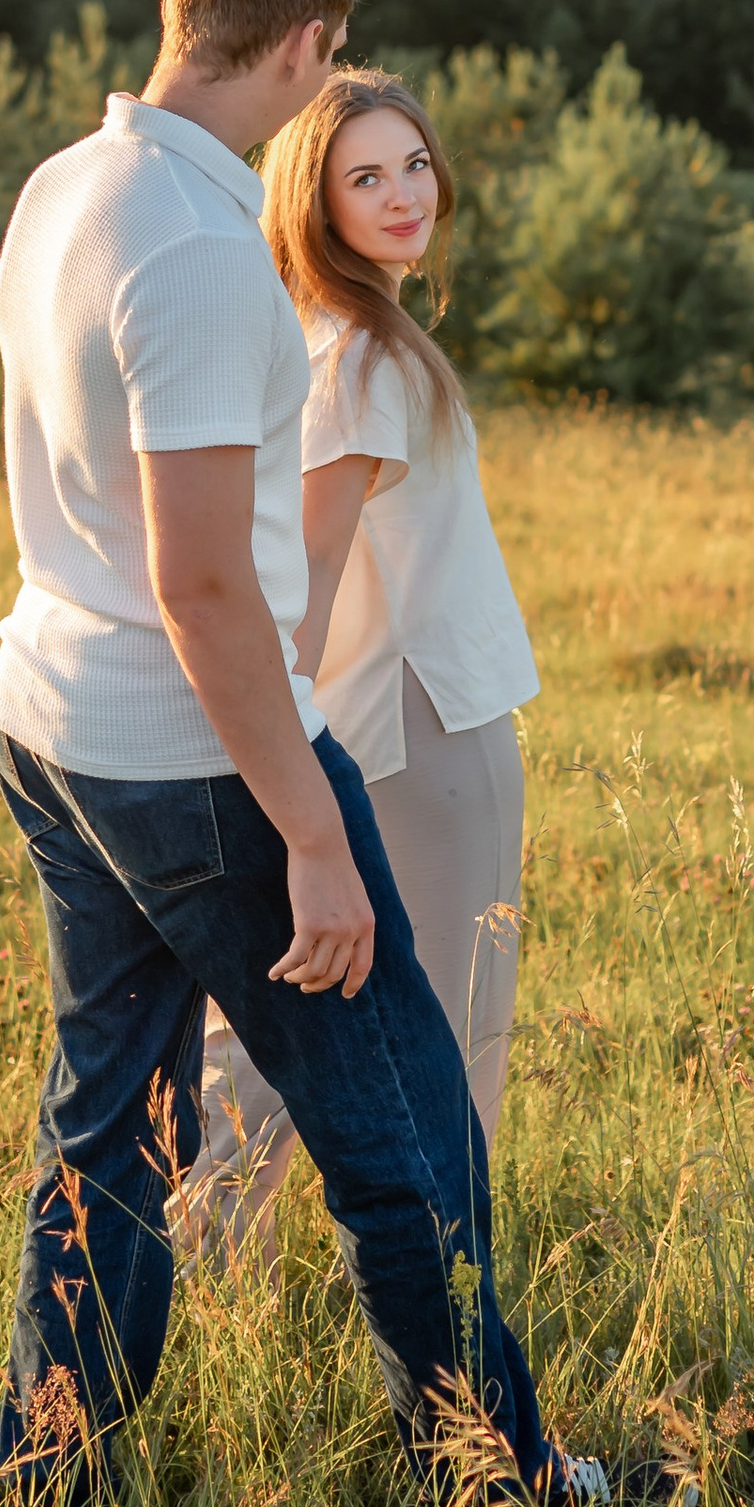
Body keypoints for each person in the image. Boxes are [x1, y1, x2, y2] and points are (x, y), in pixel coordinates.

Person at [0, 0, 662, 1507]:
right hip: (195, 753)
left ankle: (38, 1489)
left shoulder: (68, 186)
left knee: (111, 1135)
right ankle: (510, 1491)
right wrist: (314, 831)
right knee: (411, 1140)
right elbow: (209, 583)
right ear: (308, 46)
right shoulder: (204, 249)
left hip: (52, 716)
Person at [183, 70, 534, 1259]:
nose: (401, 197)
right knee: (448, 1036)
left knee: (311, 1018)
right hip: (421, 728)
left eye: (415, 166)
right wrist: (282, 768)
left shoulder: (331, 339)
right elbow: (310, 577)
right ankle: (448, 1318)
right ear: (315, 200)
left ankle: (199, 1250)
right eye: (364, 177)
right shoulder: (367, 359)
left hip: (393, 719)